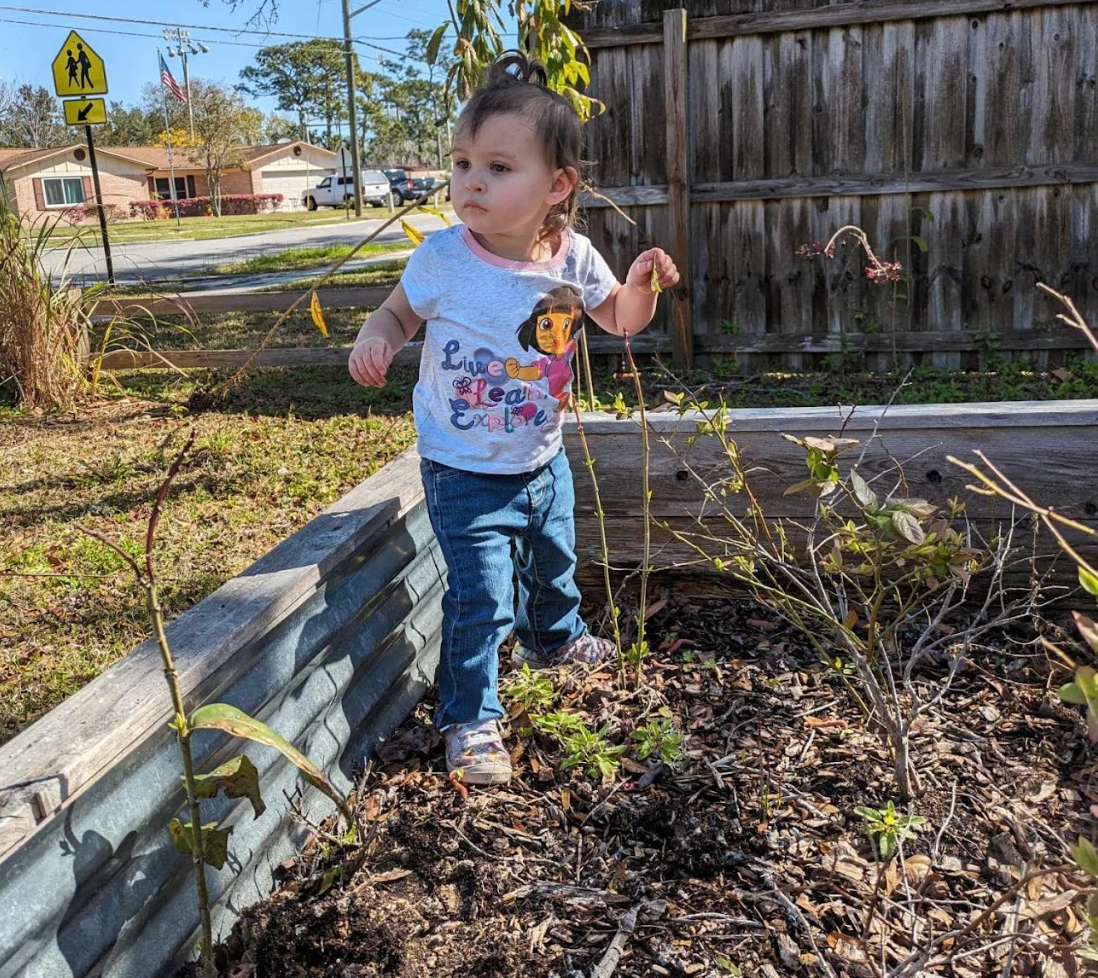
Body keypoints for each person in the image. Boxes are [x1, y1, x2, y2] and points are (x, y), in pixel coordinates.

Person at [347, 52, 679, 786]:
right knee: (480, 597)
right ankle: (469, 717)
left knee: (553, 561)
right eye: (463, 162)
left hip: (541, 454)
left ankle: (553, 640)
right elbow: (399, 311)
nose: (471, 181)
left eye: (498, 167)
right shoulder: (443, 258)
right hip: (463, 466)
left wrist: (639, 284)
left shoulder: (575, 256)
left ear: (556, 186)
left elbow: (619, 318)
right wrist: (378, 336)